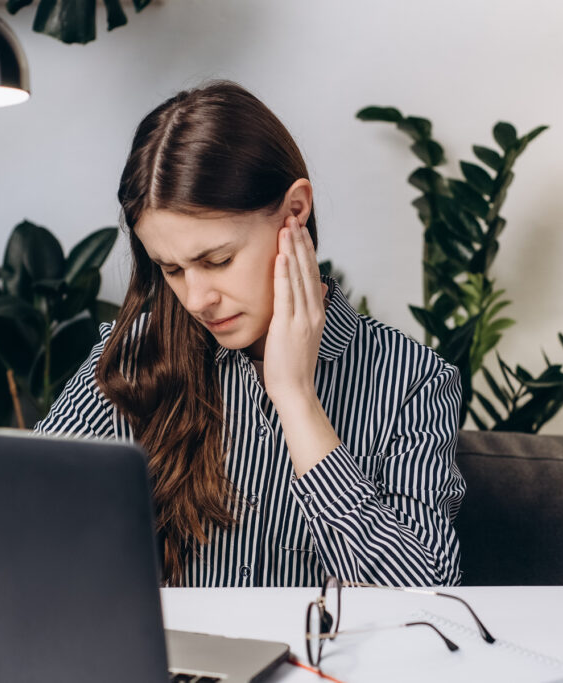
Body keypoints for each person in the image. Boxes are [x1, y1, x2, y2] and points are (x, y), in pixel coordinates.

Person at [35, 81, 466, 588]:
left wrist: (296, 400)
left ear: (295, 211)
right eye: (171, 269)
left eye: (216, 260)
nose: (196, 299)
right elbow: (20, 517)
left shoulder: (414, 381)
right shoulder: (133, 356)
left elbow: (423, 593)